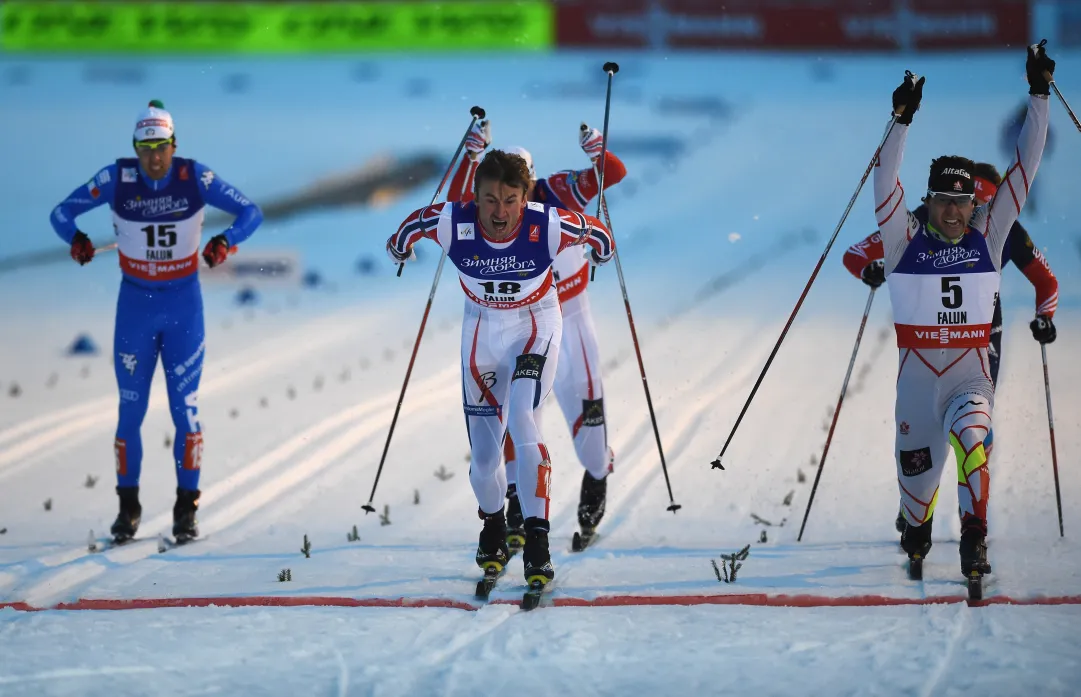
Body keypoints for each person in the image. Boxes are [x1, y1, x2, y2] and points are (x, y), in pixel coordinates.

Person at [386, 149, 615, 588]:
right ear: (476, 196)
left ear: (524, 196)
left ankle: (537, 541)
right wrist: (399, 249)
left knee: (525, 419)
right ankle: (492, 525)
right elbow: (410, 226)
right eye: (490, 200)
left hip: (536, 325)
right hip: (483, 332)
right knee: (485, 458)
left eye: (511, 200)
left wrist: (601, 255)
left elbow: (598, 234)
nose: (500, 212)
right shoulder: (453, 221)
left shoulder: (545, 224)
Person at [869, 43, 1054, 580]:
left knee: (975, 443)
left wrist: (1038, 94)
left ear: (975, 204)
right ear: (928, 203)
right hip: (916, 395)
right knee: (915, 507)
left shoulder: (989, 237)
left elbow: (1025, 167)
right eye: (942, 200)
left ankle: (975, 535)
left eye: (962, 201)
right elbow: (884, 183)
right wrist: (900, 122)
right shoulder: (902, 240)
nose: (953, 210)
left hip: (968, 381)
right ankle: (918, 525)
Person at [49, 100, 263, 544]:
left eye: (161, 147)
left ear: (174, 144)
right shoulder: (117, 178)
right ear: (135, 147)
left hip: (184, 308)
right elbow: (60, 214)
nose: (154, 158)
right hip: (136, 309)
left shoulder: (193, 177)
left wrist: (226, 240)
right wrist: (77, 239)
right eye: (146, 148)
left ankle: (186, 510)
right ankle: (128, 509)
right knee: (130, 413)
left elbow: (251, 213)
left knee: (185, 412)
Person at [844, 162, 1059, 533]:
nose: (969, 219)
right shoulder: (921, 221)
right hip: (928, 336)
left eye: (980, 209)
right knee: (926, 421)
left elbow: (1046, 281)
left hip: (983, 330)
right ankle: (918, 501)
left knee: (975, 420)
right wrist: (871, 269)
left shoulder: (1006, 227)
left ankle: (972, 497)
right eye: (967, 207)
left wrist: (1046, 317)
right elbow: (855, 253)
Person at [447, 119, 627, 551]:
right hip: (522, 325)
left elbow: (614, 174)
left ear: (530, 182)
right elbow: (454, 207)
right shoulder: (492, 210)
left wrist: (597, 150)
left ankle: (597, 475)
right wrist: (470, 154)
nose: (509, 203)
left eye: (520, 185)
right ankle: (514, 504)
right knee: (518, 417)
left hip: (571, 321)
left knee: (587, 423)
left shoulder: (559, 194)